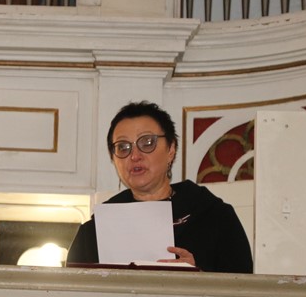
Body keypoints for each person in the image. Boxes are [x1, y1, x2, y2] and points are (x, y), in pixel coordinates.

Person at [67, 101, 252, 273]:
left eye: (147, 143)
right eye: (123, 147)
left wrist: (199, 278)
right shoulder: (93, 232)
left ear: (171, 149)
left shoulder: (215, 217)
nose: (135, 156)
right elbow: (72, 294)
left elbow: (244, 291)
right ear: (113, 158)